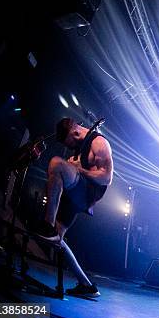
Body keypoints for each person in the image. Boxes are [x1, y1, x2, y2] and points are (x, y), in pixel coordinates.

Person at [35, 118, 113, 296]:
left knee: (56, 163)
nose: (68, 147)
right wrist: (73, 166)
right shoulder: (81, 145)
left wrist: (78, 169)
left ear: (75, 133)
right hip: (76, 192)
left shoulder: (99, 143)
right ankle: (87, 286)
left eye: (67, 142)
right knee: (57, 239)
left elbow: (107, 178)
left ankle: (47, 225)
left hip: (87, 192)